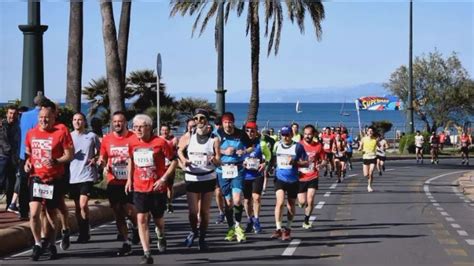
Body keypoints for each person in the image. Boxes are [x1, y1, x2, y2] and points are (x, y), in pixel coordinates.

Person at [24, 107, 74, 261]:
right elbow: (28, 154)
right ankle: (38, 244)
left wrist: (56, 161)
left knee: (52, 213)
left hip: (53, 179)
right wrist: (27, 164)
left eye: (47, 117)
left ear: (53, 118)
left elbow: (70, 155)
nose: (43, 120)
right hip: (36, 178)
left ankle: (51, 243)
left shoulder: (60, 132)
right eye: (41, 117)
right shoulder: (31, 133)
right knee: (34, 213)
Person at [127, 114, 175, 264]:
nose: (138, 129)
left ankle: (161, 235)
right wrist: (129, 179)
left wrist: (163, 179)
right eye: (135, 127)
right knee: (141, 218)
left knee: (158, 220)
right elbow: (131, 160)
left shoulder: (160, 142)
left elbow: (174, 161)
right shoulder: (132, 142)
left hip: (157, 188)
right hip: (139, 187)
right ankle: (147, 253)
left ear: (149, 127)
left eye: (141, 126)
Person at [178, 109, 220, 251]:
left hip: (208, 177)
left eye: (202, 118)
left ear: (207, 121)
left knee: (204, 212)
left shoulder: (214, 139)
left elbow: (219, 160)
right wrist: (184, 160)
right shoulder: (188, 136)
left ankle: (202, 238)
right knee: (192, 212)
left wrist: (214, 159)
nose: (199, 121)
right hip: (192, 177)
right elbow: (178, 151)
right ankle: (194, 231)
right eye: (196, 118)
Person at [98, 111, 139, 256]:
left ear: (125, 122)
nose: (117, 124)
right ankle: (126, 242)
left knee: (129, 209)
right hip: (113, 180)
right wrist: (102, 163)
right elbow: (103, 157)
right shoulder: (107, 139)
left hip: (130, 181)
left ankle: (135, 226)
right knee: (117, 212)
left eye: (120, 121)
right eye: (115, 122)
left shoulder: (133, 138)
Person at [271, 125, 307, 241]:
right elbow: (272, 159)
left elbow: (306, 163)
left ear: (291, 135)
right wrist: (268, 168)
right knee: (280, 202)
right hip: (280, 178)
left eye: (287, 135)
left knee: (291, 205)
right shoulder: (277, 145)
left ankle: (288, 228)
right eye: (283, 135)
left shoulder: (297, 147)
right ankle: (278, 228)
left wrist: (295, 162)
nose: (285, 137)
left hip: (293, 180)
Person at [69, 112, 101, 243]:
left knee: (83, 205)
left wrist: (95, 158)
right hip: (72, 176)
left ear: (84, 122)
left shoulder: (91, 136)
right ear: (72, 122)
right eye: (75, 119)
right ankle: (83, 229)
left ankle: (84, 231)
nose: (77, 122)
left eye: (80, 120)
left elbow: (101, 152)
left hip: (86, 174)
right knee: (77, 207)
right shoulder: (68, 136)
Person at [215, 112, 247, 242]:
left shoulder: (240, 133)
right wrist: (223, 151)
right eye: (225, 122)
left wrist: (243, 151)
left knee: (237, 199)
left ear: (233, 122)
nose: (228, 125)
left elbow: (251, 146)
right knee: (228, 203)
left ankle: (238, 226)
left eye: (230, 122)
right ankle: (231, 228)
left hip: (237, 168)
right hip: (222, 170)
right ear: (222, 123)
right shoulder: (217, 134)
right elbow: (211, 150)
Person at [17, 92, 46, 220]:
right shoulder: (43, 116)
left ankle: (23, 211)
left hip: (23, 154)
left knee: (23, 183)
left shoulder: (24, 116)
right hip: (37, 155)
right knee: (39, 182)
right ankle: (38, 209)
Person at [241, 122, 270, 234]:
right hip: (245, 175)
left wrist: (264, 164)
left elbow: (268, 156)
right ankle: (249, 219)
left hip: (257, 175)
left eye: (252, 131)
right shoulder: (241, 143)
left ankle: (256, 220)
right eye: (247, 130)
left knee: (256, 198)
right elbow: (236, 156)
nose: (250, 133)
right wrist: (241, 163)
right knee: (247, 200)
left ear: (256, 131)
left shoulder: (261, 143)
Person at [298, 125, 325, 229]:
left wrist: (321, 165)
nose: (307, 136)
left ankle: (306, 221)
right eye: (305, 134)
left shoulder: (318, 146)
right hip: (300, 176)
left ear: (313, 134)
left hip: (313, 176)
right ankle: (300, 203)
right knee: (302, 201)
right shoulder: (298, 145)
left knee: (310, 199)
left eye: (309, 134)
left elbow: (324, 159)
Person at [159, 124, 179, 213]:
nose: (164, 132)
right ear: (160, 131)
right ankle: (162, 202)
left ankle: (169, 203)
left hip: (170, 166)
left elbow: (177, 152)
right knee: (161, 185)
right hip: (160, 167)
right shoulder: (158, 140)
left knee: (169, 187)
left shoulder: (174, 140)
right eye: (163, 130)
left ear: (169, 131)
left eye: (166, 130)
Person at [358, 127, 377, 192]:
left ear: (373, 132)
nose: (370, 132)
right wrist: (360, 148)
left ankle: (369, 186)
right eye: (369, 131)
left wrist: (382, 148)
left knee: (371, 172)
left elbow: (380, 146)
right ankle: (369, 179)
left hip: (373, 157)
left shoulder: (375, 139)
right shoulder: (363, 139)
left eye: (372, 131)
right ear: (367, 132)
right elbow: (360, 148)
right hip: (366, 157)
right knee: (366, 174)